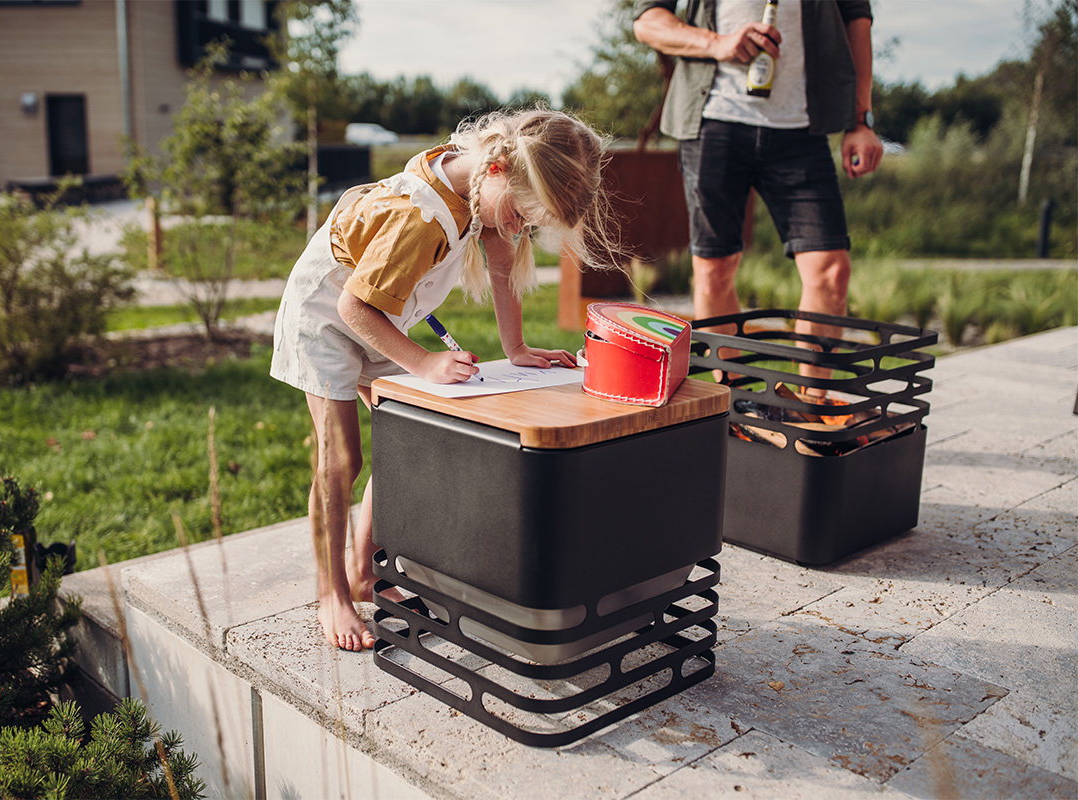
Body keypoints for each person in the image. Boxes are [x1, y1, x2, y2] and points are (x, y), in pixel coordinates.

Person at [270, 108, 621, 651]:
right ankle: (332, 594)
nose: (521, 227)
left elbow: (501, 260)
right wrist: (423, 363)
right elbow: (352, 306)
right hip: (328, 322)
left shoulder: (480, 179)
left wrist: (517, 349)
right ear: (502, 170)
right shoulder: (422, 216)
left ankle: (364, 572)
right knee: (341, 458)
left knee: (409, 438)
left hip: (381, 321)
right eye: (523, 215)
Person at [633, 0, 884, 381]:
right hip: (713, 122)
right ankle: (735, 406)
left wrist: (860, 117)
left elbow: (857, 19)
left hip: (803, 128)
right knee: (714, 272)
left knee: (830, 273)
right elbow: (648, 22)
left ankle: (812, 412)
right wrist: (716, 43)